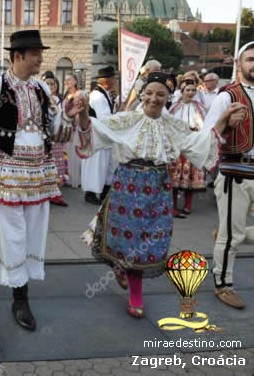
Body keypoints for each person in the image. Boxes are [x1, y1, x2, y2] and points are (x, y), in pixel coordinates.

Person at [76, 71, 241, 319]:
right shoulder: (126, 119)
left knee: (149, 241)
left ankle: (131, 283)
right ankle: (128, 281)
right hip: (128, 185)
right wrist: (80, 113)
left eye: (160, 94)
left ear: (167, 97)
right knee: (124, 238)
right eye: (150, 93)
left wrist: (224, 119)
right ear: (142, 93)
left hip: (158, 187)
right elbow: (94, 128)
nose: (154, 98)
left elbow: (200, 142)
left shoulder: (174, 125)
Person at [0, 30, 74, 331]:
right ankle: (20, 298)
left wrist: (69, 116)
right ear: (18, 56)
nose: (41, 58)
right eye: (36, 53)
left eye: (40, 52)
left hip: (37, 172)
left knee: (29, 229)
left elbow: (55, 129)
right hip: (6, 172)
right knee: (14, 232)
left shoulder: (40, 88)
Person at [205, 41, 254, 310]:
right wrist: (225, 123)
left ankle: (225, 235)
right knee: (232, 237)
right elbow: (208, 134)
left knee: (232, 233)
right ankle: (223, 284)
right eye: (250, 59)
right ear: (239, 64)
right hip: (236, 169)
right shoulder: (227, 96)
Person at [168, 78, 207, 218]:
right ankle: (172, 206)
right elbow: (169, 125)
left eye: (193, 90)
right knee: (175, 177)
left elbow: (205, 126)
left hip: (193, 145)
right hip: (177, 146)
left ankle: (188, 205)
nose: (191, 93)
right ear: (182, 91)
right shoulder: (174, 107)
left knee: (190, 176)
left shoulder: (200, 107)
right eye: (188, 90)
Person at [81, 66, 117, 205]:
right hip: (97, 136)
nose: (115, 81)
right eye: (114, 78)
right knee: (97, 165)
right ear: (107, 81)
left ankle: (100, 192)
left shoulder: (103, 93)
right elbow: (105, 118)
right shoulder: (98, 96)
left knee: (103, 165)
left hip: (101, 136)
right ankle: (91, 193)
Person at [43, 71, 69, 207]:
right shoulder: (40, 98)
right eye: (47, 83)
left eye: (52, 84)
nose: (50, 86)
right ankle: (45, 193)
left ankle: (55, 194)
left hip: (56, 137)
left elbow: (61, 116)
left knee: (57, 165)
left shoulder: (58, 99)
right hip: (44, 136)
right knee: (46, 165)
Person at [64, 73, 86, 188]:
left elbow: (81, 110)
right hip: (67, 127)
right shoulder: (66, 95)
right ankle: (69, 178)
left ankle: (77, 180)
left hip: (76, 127)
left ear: (75, 81)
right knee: (68, 152)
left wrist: (74, 123)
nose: (66, 82)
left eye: (68, 80)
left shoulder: (80, 94)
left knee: (76, 152)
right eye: (65, 81)